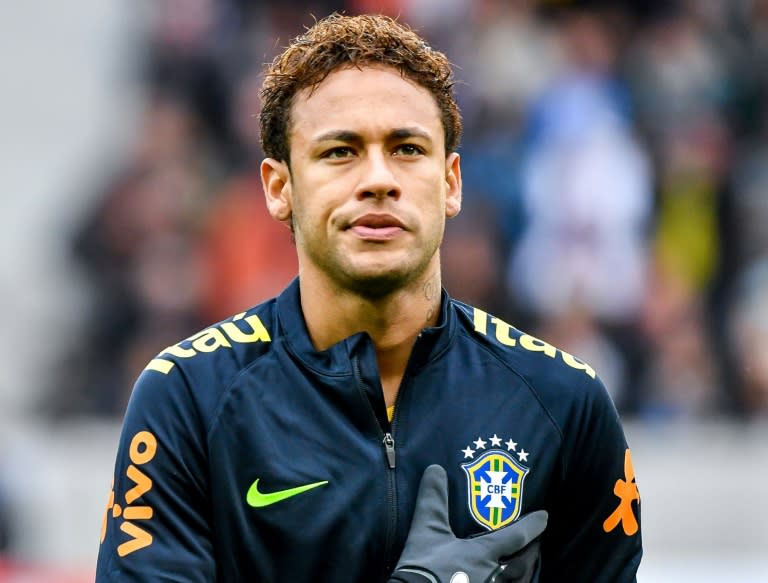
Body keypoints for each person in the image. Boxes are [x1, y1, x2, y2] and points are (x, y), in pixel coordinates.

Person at [96, 13, 642, 582]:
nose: (379, 178)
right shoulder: (189, 397)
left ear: (451, 182)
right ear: (279, 188)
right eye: (340, 152)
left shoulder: (564, 403)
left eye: (407, 148)